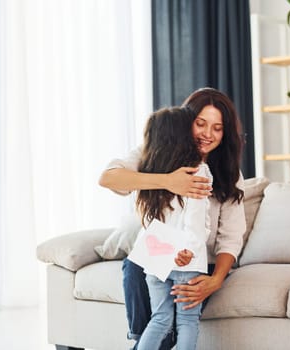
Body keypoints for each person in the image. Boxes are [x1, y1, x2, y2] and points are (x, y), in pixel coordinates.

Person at [99, 87, 246, 349]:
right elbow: (109, 178)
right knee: (134, 267)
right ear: (185, 122)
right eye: (200, 124)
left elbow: (231, 239)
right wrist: (168, 181)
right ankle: (141, 340)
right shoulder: (153, 154)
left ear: (225, 134)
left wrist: (215, 281)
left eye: (217, 128)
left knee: (173, 320)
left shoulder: (227, 174)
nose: (207, 134)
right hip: (159, 255)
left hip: (198, 261)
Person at [129, 106, 211, 350]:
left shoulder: (150, 172)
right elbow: (194, 221)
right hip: (185, 258)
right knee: (187, 321)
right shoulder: (198, 170)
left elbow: (149, 220)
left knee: (160, 318)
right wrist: (189, 251)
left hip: (154, 256)